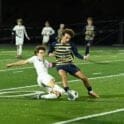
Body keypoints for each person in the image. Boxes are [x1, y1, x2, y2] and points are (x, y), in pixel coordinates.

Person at [48, 28, 99, 98]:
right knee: (63, 76)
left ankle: (90, 91)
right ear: (62, 36)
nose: (67, 40)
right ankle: (69, 92)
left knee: (84, 78)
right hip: (60, 65)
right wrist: (50, 54)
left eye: (69, 38)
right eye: (66, 37)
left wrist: (84, 57)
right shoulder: (54, 44)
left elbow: (76, 54)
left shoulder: (71, 45)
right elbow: (49, 52)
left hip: (70, 65)